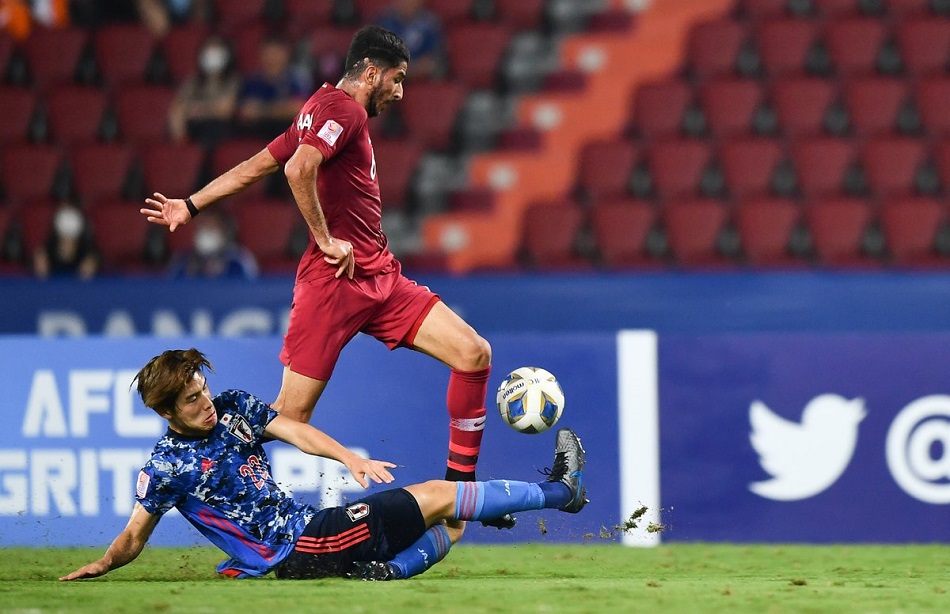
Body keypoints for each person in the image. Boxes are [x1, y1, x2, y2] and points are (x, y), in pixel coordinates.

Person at [140, 26, 506, 528]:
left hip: (381, 276)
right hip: (332, 285)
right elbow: (297, 171)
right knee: (289, 419)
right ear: (371, 72)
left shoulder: (318, 108)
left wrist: (191, 204)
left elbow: (256, 166)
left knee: (474, 353)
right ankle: (204, 465)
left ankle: (461, 497)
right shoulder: (343, 110)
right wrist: (327, 237)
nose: (400, 92)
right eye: (397, 79)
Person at [58, 349, 588, 582]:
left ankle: (386, 572)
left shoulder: (236, 406)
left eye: (203, 389)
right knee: (441, 496)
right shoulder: (166, 466)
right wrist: (103, 564)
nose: (206, 402)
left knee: (449, 521)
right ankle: (565, 491)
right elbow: (134, 535)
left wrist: (348, 458)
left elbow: (296, 431)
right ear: (167, 412)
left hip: (311, 533)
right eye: (192, 401)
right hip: (297, 548)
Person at [168, 33, 241, 146]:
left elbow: (226, 110)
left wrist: (199, 109)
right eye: (209, 52)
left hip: (220, 134)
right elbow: (178, 108)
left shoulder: (233, 81)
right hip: (195, 133)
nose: (213, 57)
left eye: (217, 53)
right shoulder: (194, 82)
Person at [236, 33, 312, 138]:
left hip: (289, 134)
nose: (272, 58)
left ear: (286, 53)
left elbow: (298, 108)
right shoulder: (252, 80)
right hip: (257, 134)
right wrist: (280, 109)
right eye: (267, 53)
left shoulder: (297, 78)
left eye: (276, 53)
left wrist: (262, 111)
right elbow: (246, 111)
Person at [167, 210, 258, 279]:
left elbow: (250, 290)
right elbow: (168, 289)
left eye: (211, 228)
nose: (206, 233)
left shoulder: (238, 258)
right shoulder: (182, 260)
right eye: (203, 227)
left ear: (223, 232)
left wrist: (223, 271)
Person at [376, 0, 445, 81]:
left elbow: (434, 60)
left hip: (423, 79)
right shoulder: (384, 23)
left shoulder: (430, 24)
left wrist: (412, 70)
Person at [33, 201, 99, 280]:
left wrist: (94, 262)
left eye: (71, 240)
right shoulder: (47, 251)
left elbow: (98, 260)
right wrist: (39, 267)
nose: (68, 244)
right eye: (64, 239)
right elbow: (38, 263)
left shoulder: (87, 252)